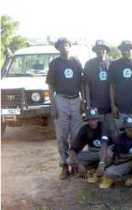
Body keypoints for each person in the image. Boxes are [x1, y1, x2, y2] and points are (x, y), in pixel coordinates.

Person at [46, 38, 84, 179]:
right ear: (58, 48)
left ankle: (75, 164)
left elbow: (82, 82)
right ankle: (64, 166)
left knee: (76, 135)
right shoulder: (55, 63)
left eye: (66, 45)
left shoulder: (76, 61)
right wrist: (53, 105)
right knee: (62, 135)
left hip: (75, 99)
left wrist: (83, 101)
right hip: (60, 99)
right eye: (61, 46)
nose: (64, 47)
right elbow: (50, 86)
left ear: (70, 46)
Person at [99, 116, 132, 189]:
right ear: (124, 129)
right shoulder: (120, 138)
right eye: (127, 128)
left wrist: (125, 156)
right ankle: (129, 177)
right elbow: (117, 159)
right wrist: (131, 158)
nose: (130, 129)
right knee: (109, 172)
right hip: (128, 162)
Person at [109, 41, 132, 133]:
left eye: (129, 49)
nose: (127, 51)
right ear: (120, 50)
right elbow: (112, 86)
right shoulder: (114, 65)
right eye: (124, 49)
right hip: (120, 108)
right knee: (122, 135)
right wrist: (113, 105)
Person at [67, 108, 110, 183]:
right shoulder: (84, 129)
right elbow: (72, 150)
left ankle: (101, 170)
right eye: (90, 120)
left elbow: (104, 146)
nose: (92, 122)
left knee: (109, 153)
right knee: (69, 160)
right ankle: (92, 169)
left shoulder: (103, 126)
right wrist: (79, 164)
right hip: (93, 152)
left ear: (97, 119)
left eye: (94, 119)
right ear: (87, 120)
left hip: (105, 151)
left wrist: (102, 163)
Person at [83, 40, 115, 135]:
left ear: (106, 50)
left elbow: (114, 85)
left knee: (112, 130)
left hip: (110, 105)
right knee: (96, 132)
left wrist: (114, 104)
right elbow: (87, 85)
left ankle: (110, 149)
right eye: (98, 49)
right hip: (95, 105)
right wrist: (88, 104)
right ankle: (96, 150)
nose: (100, 51)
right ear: (95, 51)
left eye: (102, 49)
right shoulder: (89, 64)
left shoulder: (112, 64)